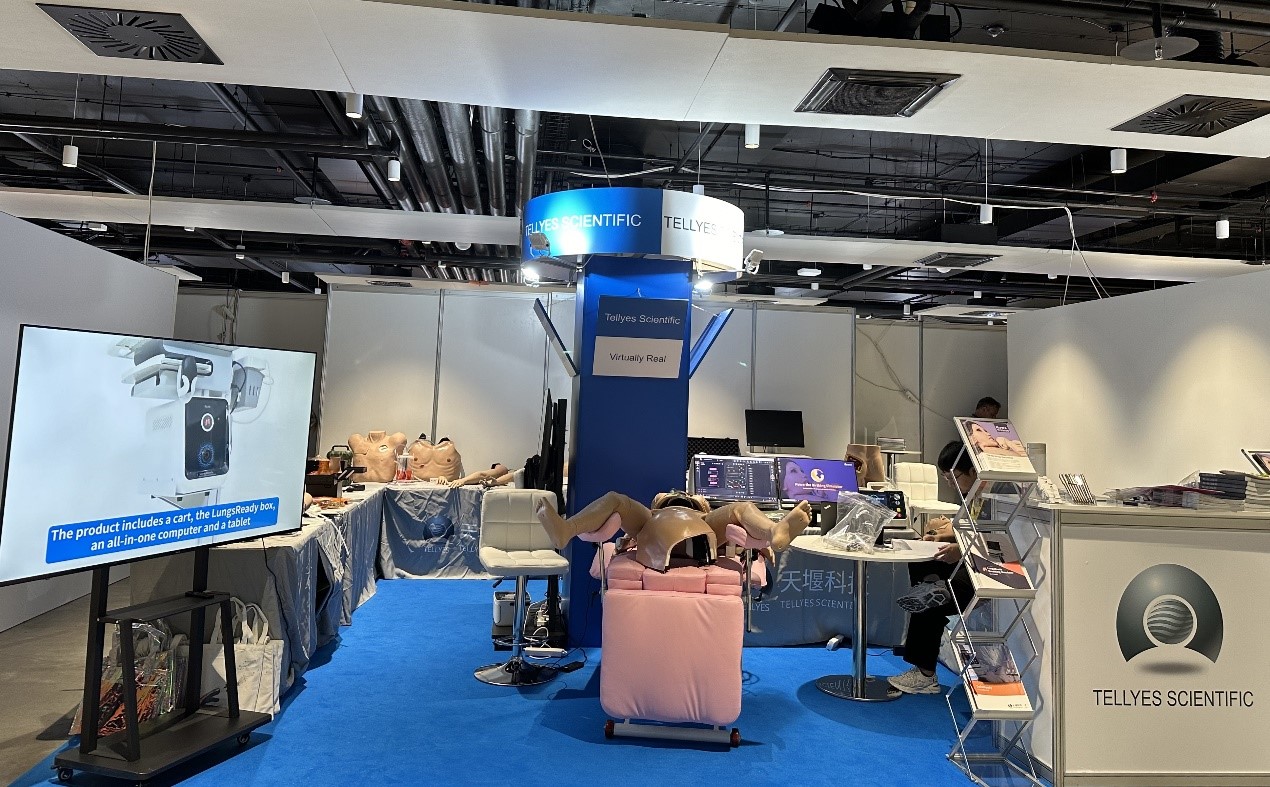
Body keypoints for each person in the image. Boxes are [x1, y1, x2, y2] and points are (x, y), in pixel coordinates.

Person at [887, 440, 979, 696]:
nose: (950, 484)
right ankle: (930, 587)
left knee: (929, 601)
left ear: (973, 471)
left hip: (982, 572)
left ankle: (925, 675)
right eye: (945, 478)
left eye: (954, 477)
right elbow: (966, 530)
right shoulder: (972, 496)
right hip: (968, 563)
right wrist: (939, 537)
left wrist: (960, 549)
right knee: (922, 562)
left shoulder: (995, 499)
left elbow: (993, 544)